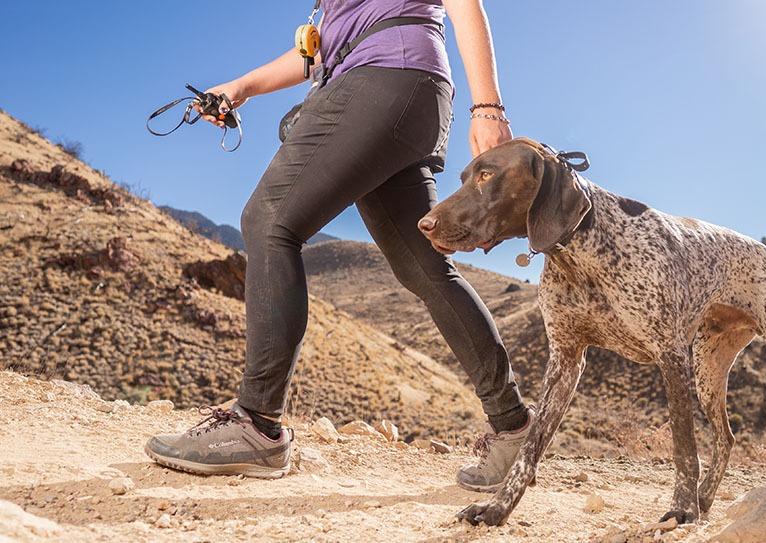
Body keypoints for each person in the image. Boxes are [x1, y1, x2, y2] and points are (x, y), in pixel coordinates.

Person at [145, 0, 531, 492]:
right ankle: (513, 426)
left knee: (268, 220)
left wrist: (490, 107)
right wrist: (238, 88)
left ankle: (257, 424)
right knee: (422, 267)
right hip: (406, 93)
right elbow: (318, 50)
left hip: (385, 80)